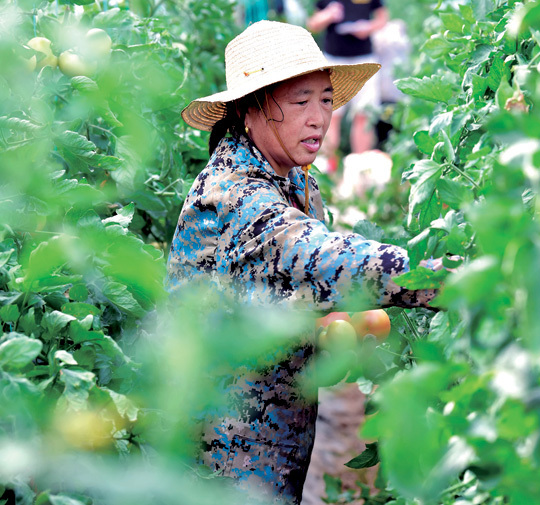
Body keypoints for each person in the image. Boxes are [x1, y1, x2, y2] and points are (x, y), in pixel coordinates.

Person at [167, 21, 437, 505]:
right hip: (222, 454)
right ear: (252, 109)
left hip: (276, 434)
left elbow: (294, 287)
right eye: (300, 102)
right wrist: (441, 278)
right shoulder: (233, 194)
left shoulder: (295, 182)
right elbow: (321, 258)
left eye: (326, 101)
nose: (319, 118)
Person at [306, 0, 387, 158]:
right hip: (334, 61)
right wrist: (327, 15)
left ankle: (361, 169)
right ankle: (329, 170)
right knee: (330, 116)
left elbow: (382, 18)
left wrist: (368, 27)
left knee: (364, 115)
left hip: (365, 62)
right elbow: (313, 24)